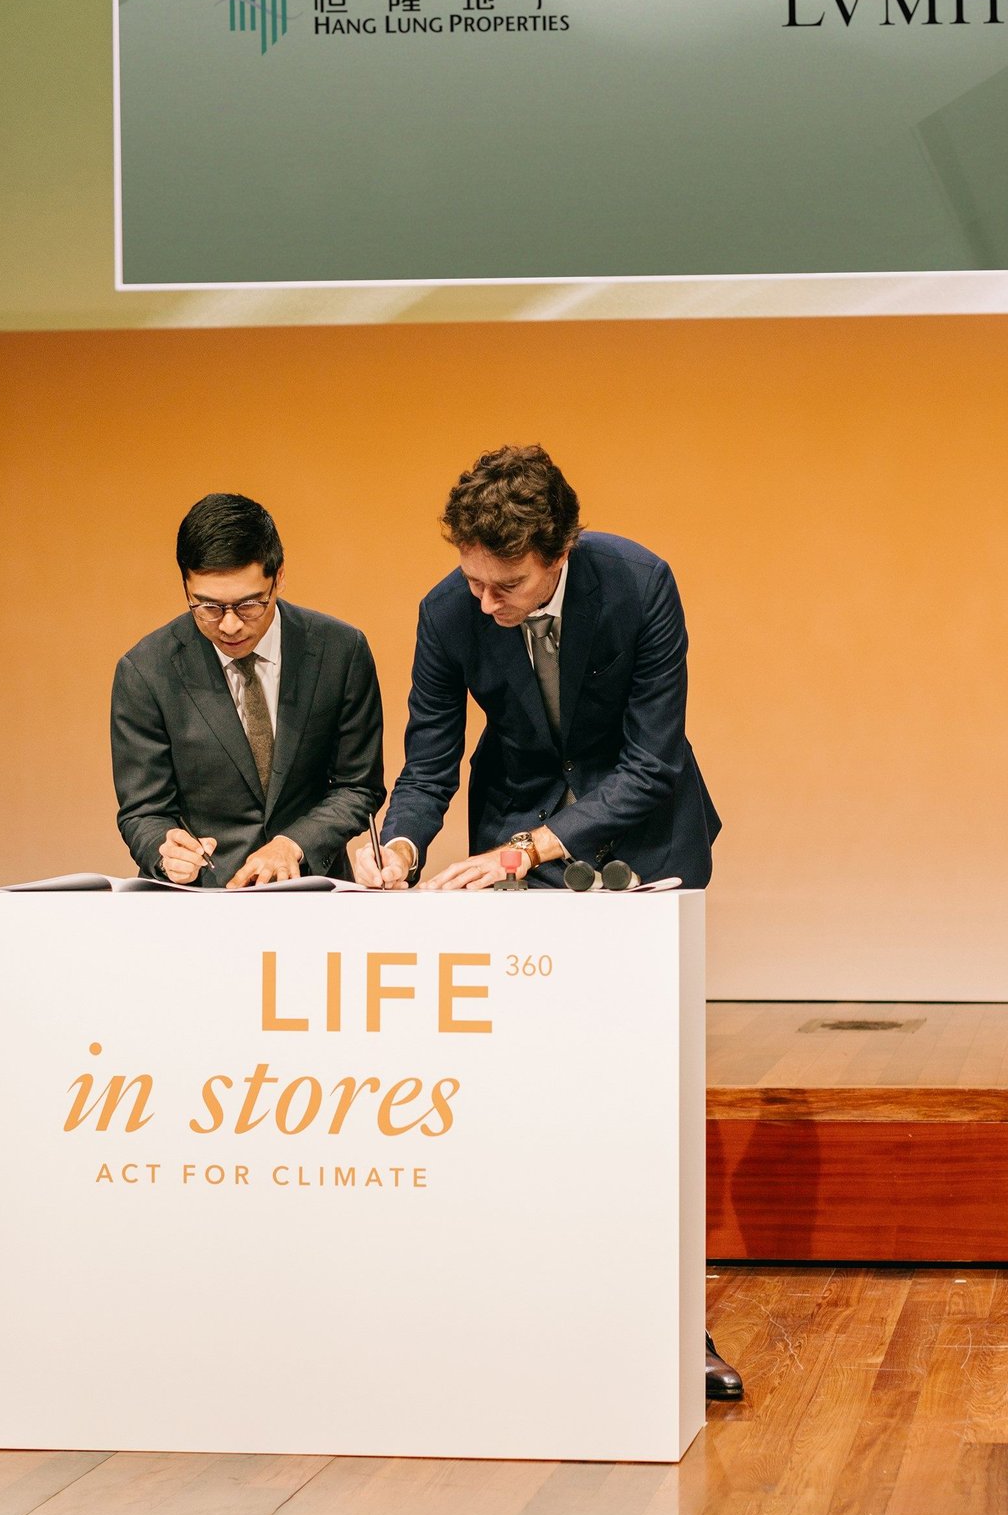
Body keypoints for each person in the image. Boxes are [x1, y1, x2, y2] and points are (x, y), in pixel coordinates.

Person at [353, 444, 742, 1400]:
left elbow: (650, 762)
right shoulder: (448, 609)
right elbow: (431, 757)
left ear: (560, 548)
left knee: (645, 1094)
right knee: (533, 1088)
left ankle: (670, 1328)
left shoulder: (639, 581)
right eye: (473, 580)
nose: (486, 603)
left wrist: (531, 848)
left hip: (642, 842)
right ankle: (533, 1316)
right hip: (512, 833)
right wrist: (399, 847)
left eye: (508, 585)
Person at [112, 492, 385, 888]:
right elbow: (143, 811)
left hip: (311, 889)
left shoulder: (339, 650)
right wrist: (164, 849)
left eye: (248, 605)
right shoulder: (146, 670)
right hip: (201, 897)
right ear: (186, 586)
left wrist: (293, 844)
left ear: (280, 577)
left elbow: (358, 786)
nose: (229, 626)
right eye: (206, 607)